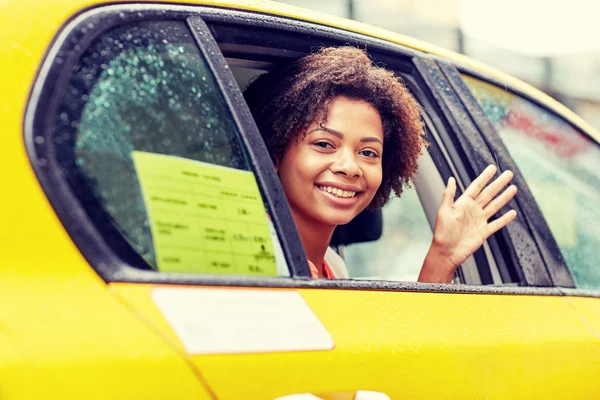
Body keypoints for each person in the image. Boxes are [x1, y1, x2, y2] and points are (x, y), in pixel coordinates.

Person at [244, 47, 517, 282]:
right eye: (324, 144)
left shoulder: (333, 267)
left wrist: (443, 258)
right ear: (274, 154)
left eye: (368, 152)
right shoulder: (253, 256)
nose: (350, 167)